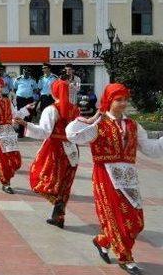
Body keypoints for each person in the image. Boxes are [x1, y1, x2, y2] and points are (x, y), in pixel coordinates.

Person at [66, 84, 163, 274]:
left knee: (136, 222)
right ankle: (126, 259)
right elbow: (72, 134)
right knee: (117, 219)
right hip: (105, 175)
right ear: (109, 101)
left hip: (129, 178)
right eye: (119, 100)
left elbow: (152, 149)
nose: (123, 103)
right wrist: (91, 119)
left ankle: (102, 240)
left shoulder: (133, 125)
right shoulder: (99, 125)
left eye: (126, 99)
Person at [16, 79, 80, 229]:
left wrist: (26, 124)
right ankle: (59, 216)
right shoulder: (75, 109)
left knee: (43, 177)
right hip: (71, 149)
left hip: (55, 148)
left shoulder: (51, 109)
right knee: (65, 183)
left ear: (53, 92)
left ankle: (57, 209)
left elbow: (44, 132)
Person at [13, 69, 38, 138]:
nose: (26, 73)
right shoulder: (18, 79)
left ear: (29, 73)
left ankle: (28, 132)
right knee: (21, 115)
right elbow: (15, 88)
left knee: (29, 116)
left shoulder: (32, 80)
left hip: (29, 99)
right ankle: (20, 133)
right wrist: (21, 94)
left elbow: (35, 89)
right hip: (21, 99)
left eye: (27, 72)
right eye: (24, 72)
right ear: (23, 72)